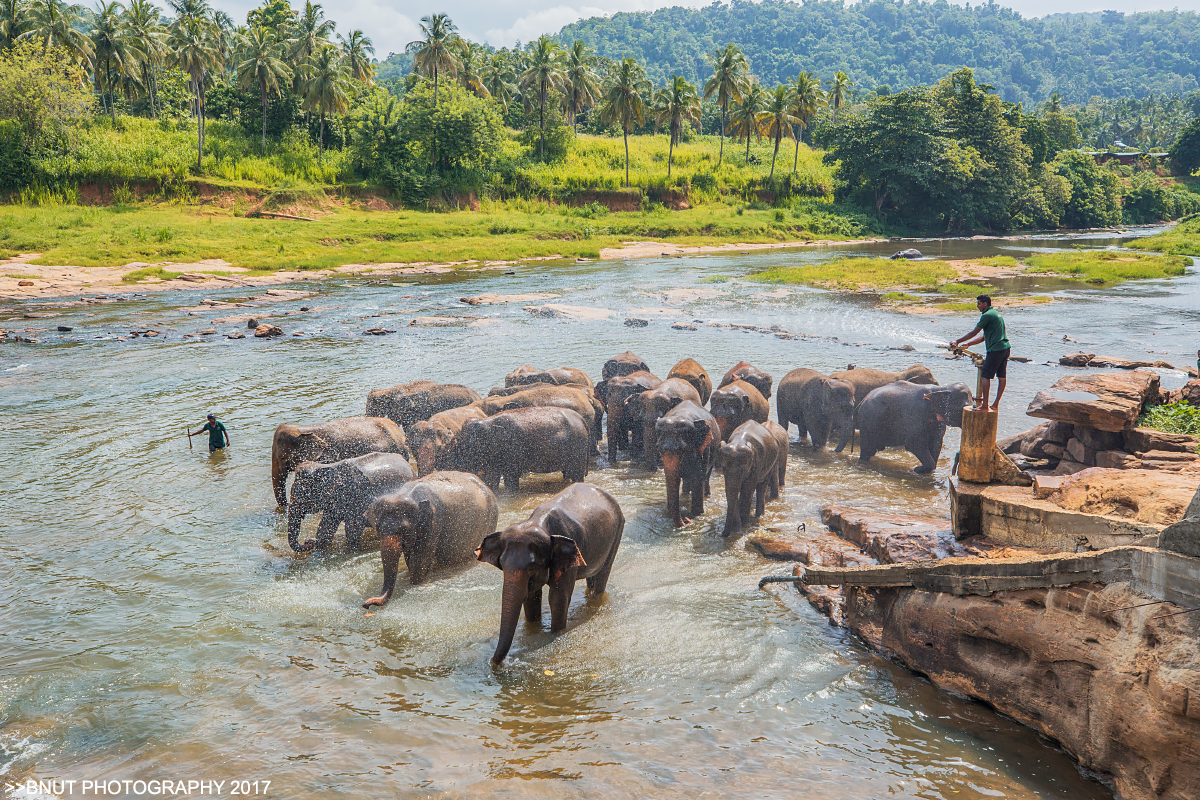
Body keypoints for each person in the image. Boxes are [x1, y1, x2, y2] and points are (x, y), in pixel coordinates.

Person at [950, 294, 1010, 411]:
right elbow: (983, 337)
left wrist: (957, 341)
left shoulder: (986, 316)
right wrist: (969, 344)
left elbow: (974, 332)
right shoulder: (996, 314)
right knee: (1002, 377)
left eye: (979, 303)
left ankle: (984, 405)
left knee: (985, 376)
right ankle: (995, 404)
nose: (977, 306)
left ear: (985, 304)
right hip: (1005, 348)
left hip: (995, 350)